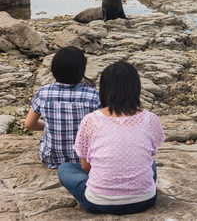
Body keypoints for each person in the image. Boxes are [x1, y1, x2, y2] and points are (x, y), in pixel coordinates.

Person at [57, 61, 165, 215]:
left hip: (99, 203)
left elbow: (86, 167)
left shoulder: (91, 120)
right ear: (136, 88)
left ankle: (103, 190)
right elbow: (151, 153)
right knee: (151, 162)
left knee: (65, 169)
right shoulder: (151, 119)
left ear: (105, 89)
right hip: (145, 201)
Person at [24, 46, 101, 169]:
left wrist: (50, 125)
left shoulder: (43, 93)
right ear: (84, 64)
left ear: (54, 67)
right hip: (84, 161)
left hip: (51, 158)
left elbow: (29, 124)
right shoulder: (93, 96)